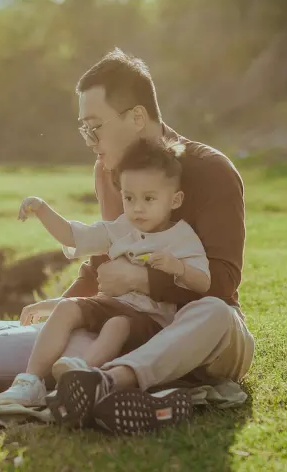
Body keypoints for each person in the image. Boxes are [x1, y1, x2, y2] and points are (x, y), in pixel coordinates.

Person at [18, 49, 255, 435]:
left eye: (95, 127)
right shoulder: (109, 171)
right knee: (60, 347)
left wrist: (141, 280)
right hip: (136, 329)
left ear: (138, 117)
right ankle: (122, 390)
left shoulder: (212, 171)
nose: (90, 141)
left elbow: (223, 284)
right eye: (84, 129)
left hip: (206, 340)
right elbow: (105, 259)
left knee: (214, 312)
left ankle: (111, 383)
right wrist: (66, 306)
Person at [0, 138, 210, 408]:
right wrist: (41, 208)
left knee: (117, 325)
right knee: (66, 308)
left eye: (149, 198)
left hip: (150, 321)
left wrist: (177, 267)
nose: (137, 208)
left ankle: (81, 374)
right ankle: (31, 380)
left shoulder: (182, 238)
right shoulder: (121, 228)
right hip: (110, 303)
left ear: (175, 200)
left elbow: (203, 283)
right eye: (129, 198)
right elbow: (74, 236)